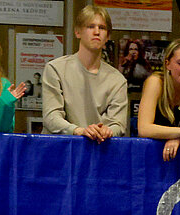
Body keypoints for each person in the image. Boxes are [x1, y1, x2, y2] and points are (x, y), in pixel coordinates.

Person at [42, 5, 127, 142]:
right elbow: (51, 117)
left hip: (98, 149)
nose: (97, 32)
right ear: (77, 32)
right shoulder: (55, 69)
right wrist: (78, 131)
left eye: (102, 28)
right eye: (90, 27)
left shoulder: (117, 80)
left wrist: (108, 131)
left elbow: (119, 124)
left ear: (107, 37)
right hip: (59, 149)